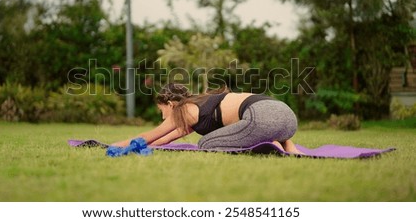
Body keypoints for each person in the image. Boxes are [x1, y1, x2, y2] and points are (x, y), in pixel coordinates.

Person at [111, 83, 303, 154]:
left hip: (262, 117)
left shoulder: (184, 109)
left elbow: (151, 135)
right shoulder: (201, 105)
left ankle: (273, 143)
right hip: (288, 118)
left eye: (161, 110)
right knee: (249, 125)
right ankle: (287, 144)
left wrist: (117, 145)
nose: (162, 116)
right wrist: (149, 147)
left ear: (170, 104)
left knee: (205, 143)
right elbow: (165, 139)